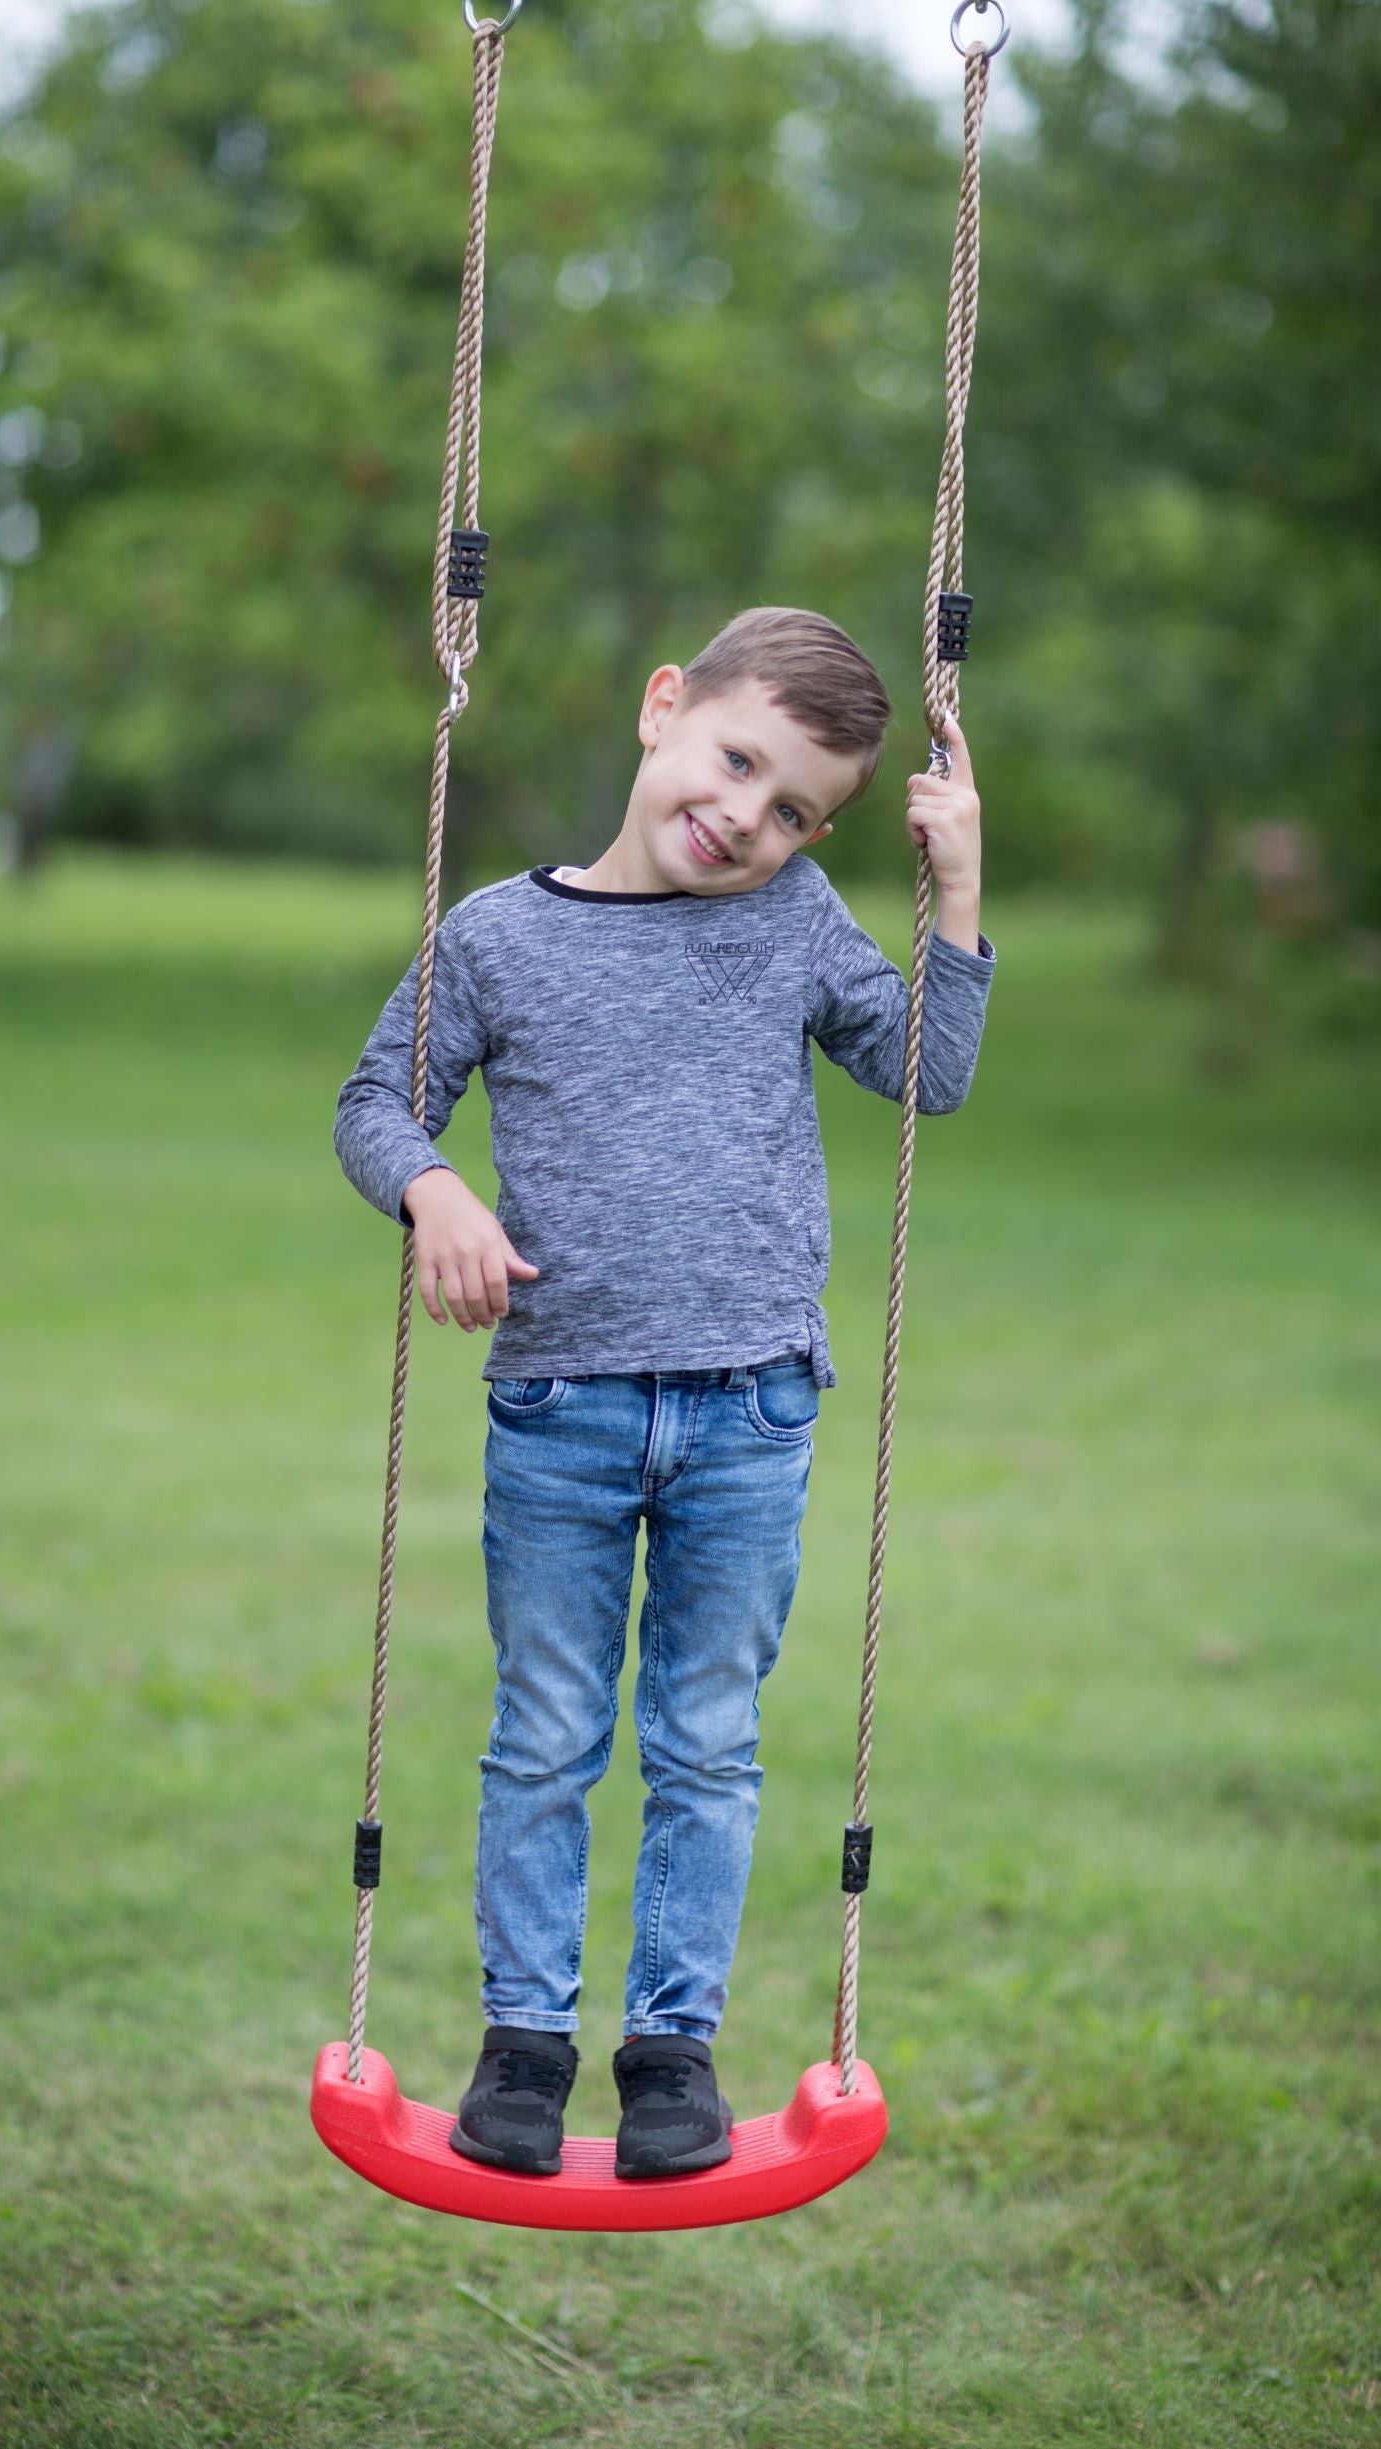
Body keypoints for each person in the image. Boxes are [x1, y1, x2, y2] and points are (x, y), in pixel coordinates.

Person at [332, 606, 994, 2179]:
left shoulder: (797, 921)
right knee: (548, 1729)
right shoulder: (498, 936)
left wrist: (956, 882)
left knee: (706, 1737)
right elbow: (377, 1100)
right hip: (560, 1407)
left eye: (795, 811)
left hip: (752, 1411)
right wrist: (436, 1193)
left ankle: (671, 2054)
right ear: (664, 709)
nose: (748, 818)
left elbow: (930, 1072)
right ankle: (525, 2044)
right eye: (739, 761)